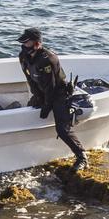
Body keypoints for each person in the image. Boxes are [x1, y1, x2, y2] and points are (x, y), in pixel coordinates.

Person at [17, 28, 87, 171]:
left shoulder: (48, 59)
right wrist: (37, 97)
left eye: (27, 43)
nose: (24, 46)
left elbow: (51, 87)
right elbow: (30, 79)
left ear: (37, 44)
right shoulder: (23, 56)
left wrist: (47, 106)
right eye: (23, 43)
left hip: (58, 94)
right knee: (28, 109)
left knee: (62, 129)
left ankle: (82, 157)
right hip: (41, 92)